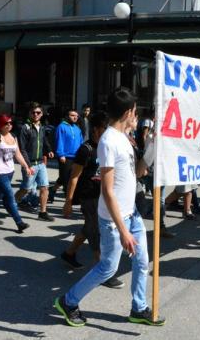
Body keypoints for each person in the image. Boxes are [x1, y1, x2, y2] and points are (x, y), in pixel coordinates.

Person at [54, 88, 165, 327]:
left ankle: (139, 307)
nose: (137, 115)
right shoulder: (108, 142)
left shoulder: (124, 137)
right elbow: (107, 190)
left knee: (142, 260)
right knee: (107, 268)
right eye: (135, 111)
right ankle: (68, 301)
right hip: (115, 221)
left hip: (131, 214)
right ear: (127, 112)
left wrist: (154, 147)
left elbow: (137, 173)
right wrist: (123, 230)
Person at [61, 111, 124, 288]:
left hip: (103, 195)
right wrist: (68, 201)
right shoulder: (86, 149)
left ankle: (69, 253)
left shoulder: (108, 146)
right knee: (95, 231)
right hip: (88, 196)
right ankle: (103, 271)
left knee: (89, 227)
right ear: (96, 130)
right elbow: (74, 177)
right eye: (106, 129)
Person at [0, 114, 33, 233]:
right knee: (10, 196)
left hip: (9, 171)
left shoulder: (13, 136)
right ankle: (19, 223)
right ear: (0, 125)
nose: (9, 125)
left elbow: (18, 154)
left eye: (10, 123)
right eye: (6, 123)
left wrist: (26, 166)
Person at [14, 103, 55, 222]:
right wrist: (27, 165)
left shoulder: (41, 126)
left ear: (42, 114)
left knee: (44, 187)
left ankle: (43, 212)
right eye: (33, 112)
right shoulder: (25, 127)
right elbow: (22, 149)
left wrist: (49, 150)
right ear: (29, 113)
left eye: (38, 112)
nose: (36, 114)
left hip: (41, 163)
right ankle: (11, 202)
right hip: (30, 163)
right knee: (26, 189)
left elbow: (44, 140)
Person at [49, 109, 83, 202]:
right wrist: (61, 155)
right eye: (72, 115)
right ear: (67, 116)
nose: (75, 117)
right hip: (65, 157)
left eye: (76, 116)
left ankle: (52, 190)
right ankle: (69, 200)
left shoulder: (77, 128)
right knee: (65, 178)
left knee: (67, 177)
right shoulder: (61, 127)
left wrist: (82, 154)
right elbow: (59, 141)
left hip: (76, 157)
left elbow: (81, 142)